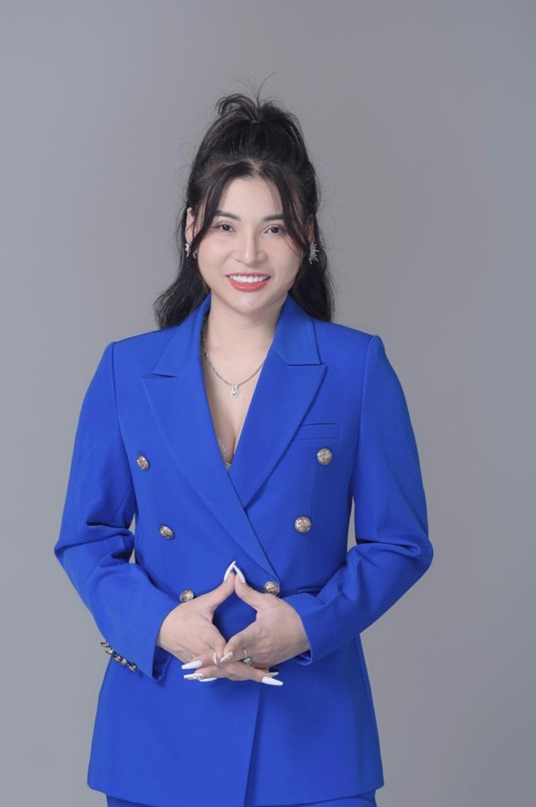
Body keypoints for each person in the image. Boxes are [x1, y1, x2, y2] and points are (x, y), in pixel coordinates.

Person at [55, 92, 433, 807]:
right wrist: (161, 623)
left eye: (275, 228)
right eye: (226, 225)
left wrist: (308, 625)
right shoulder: (127, 371)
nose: (249, 254)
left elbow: (400, 542)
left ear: (307, 237)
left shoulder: (355, 368)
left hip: (310, 733)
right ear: (191, 228)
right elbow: (86, 537)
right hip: (161, 728)